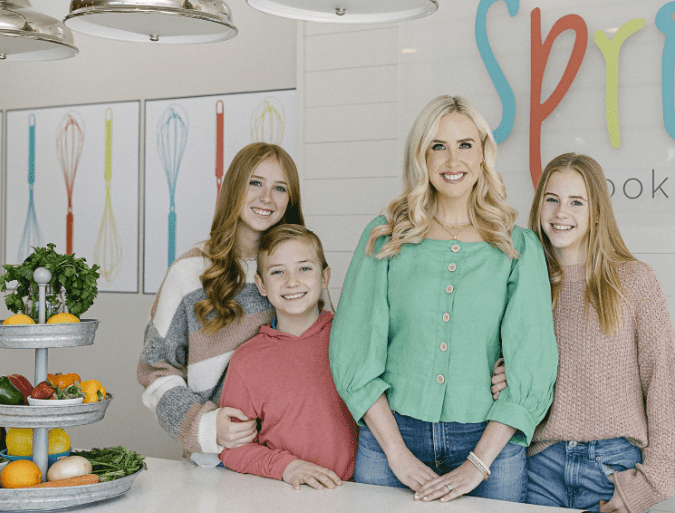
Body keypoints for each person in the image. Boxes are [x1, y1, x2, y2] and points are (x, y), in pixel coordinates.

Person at [329, 95, 558, 504]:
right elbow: (354, 353)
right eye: (438, 146)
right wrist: (396, 454)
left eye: (465, 145)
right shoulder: (385, 238)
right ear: (422, 157)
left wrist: (478, 463)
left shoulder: (517, 248)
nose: (453, 160)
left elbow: (532, 363)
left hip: (489, 443)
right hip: (390, 436)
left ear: (484, 154)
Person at [494, 153, 675, 512]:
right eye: (551, 199)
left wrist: (648, 486)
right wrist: (506, 376)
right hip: (541, 465)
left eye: (576, 202)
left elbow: (664, 382)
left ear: (596, 210)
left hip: (612, 468)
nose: (560, 213)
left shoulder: (633, 280)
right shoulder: (525, 282)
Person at [138, 142, 303, 465]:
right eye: (255, 182)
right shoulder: (189, 273)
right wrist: (205, 426)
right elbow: (154, 370)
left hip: (296, 458)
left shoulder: (300, 272)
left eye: (280, 188)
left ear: (290, 201)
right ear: (233, 188)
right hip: (218, 463)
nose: (266, 198)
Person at [218, 224, 358, 489]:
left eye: (304, 268)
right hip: (282, 493)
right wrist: (287, 467)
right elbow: (232, 449)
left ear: (325, 277)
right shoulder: (247, 360)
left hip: (352, 493)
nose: (292, 282)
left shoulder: (352, 339)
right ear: (261, 284)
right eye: (278, 272)